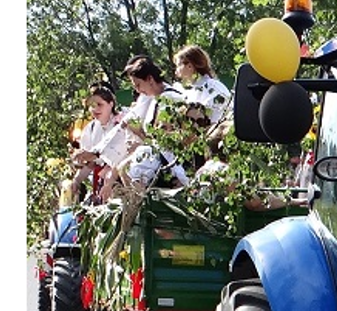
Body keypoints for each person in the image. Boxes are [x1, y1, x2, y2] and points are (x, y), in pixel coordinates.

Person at [98, 55, 191, 202]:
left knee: (131, 167)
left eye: (138, 85)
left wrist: (139, 134)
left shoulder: (169, 99)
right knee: (124, 167)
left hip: (170, 159)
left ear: (150, 79)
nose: (138, 90)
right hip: (157, 153)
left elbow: (165, 139)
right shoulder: (155, 100)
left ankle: (141, 205)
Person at [70, 82, 130, 202]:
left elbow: (121, 156)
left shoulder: (121, 123)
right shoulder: (90, 129)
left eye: (100, 105)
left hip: (122, 178)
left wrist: (110, 180)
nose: (95, 109)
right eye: (92, 105)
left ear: (111, 104)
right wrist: (77, 180)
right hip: (101, 181)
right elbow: (90, 164)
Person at [173, 44, 233, 126]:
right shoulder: (192, 92)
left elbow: (219, 120)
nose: (176, 71)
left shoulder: (212, 87)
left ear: (190, 66)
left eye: (179, 65)